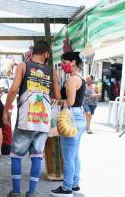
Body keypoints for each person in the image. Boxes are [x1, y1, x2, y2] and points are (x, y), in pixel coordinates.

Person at [3, 41, 61, 197]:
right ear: (46, 54)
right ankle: (32, 192)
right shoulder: (52, 71)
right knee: (37, 155)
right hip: (43, 120)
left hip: (25, 119)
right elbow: (57, 96)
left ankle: (16, 192)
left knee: (16, 154)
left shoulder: (23, 66)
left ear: (33, 52)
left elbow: (13, 89)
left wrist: (6, 110)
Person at [50, 52, 86, 197]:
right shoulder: (80, 78)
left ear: (72, 62)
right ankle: (74, 184)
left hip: (71, 118)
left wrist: (56, 101)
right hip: (79, 117)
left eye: (64, 61)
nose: (62, 64)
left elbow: (70, 102)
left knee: (69, 157)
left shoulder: (72, 80)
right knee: (75, 155)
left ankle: (67, 188)